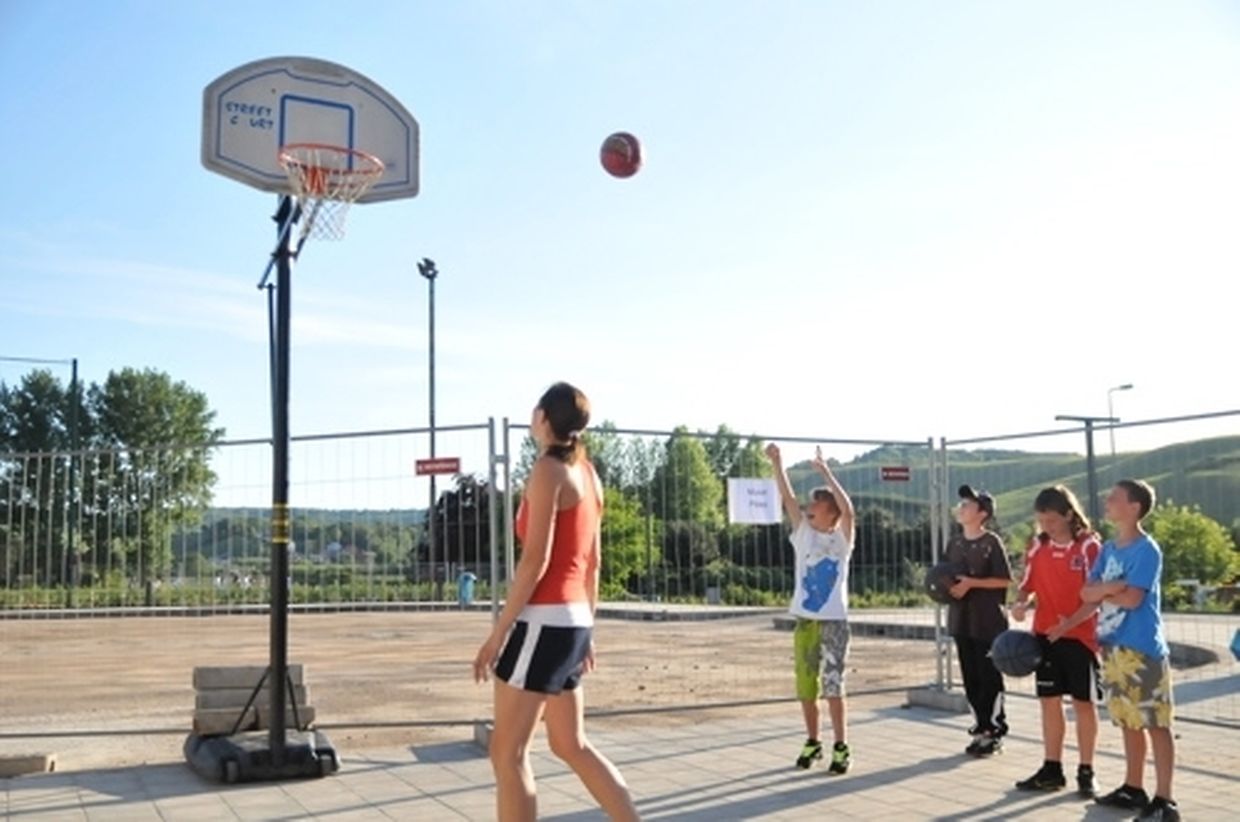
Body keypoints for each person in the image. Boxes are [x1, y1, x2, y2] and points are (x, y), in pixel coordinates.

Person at [473, 382, 638, 822]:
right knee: (570, 744)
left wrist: (498, 634)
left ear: (543, 418)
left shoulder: (548, 470)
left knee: (507, 753)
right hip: (573, 620)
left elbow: (535, 561)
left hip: (543, 622)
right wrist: (587, 631)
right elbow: (594, 563)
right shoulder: (588, 473)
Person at [1077, 480, 1179, 821]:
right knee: (1128, 721)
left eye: (1114, 498)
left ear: (1134, 507)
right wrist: (1112, 587)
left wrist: (1103, 591)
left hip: (1142, 648)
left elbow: (1134, 598)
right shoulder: (1108, 549)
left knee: (1155, 723)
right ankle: (1133, 787)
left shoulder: (1147, 550)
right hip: (1113, 648)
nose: (1107, 501)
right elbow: (1086, 593)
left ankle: (1165, 800)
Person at [766, 443, 857, 774]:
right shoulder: (803, 534)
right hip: (805, 621)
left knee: (834, 684)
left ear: (831, 512)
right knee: (806, 686)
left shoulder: (842, 540)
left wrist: (826, 472)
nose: (808, 507)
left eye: (816, 503)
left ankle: (841, 745)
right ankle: (813, 741)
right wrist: (777, 462)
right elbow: (788, 498)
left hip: (834, 623)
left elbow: (849, 511)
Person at [1010, 485, 1102, 797]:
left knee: (1083, 703)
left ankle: (1087, 770)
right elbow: (1027, 585)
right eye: (1041, 520)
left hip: (1080, 637)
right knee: (1049, 701)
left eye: (1051, 519)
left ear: (1068, 514)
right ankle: (1052, 769)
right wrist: (1020, 604)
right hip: (1046, 635)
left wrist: (1070, 624)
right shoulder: (1038, 545)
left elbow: (1096, 596)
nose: (1045, 526)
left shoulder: (1088, 546)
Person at [946, 484, 1013, 756]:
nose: (961, 508)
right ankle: (979, 727)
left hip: (988, 622)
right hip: (962, 620)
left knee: (989, 678)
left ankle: (994, 731)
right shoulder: (954, 543)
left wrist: (972, 583)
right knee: (970, 677)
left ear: (982, 513)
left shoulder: (991, 542)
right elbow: (945, 575)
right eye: (961, 504)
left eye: (967, 505)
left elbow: (1004, 580)